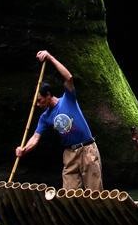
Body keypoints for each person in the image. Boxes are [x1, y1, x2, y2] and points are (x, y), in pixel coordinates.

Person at [15, 50, 103, 191]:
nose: (38, 105)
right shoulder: (45, 118)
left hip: (87, 149)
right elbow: (35, 138)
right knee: (69, 195)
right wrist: (24, 149)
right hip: (70, 154)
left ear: (48, 95)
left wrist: (50, 58)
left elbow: (68, 77)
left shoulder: (68, 99)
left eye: (39, 100)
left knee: (95, 193)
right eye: (35, 103)